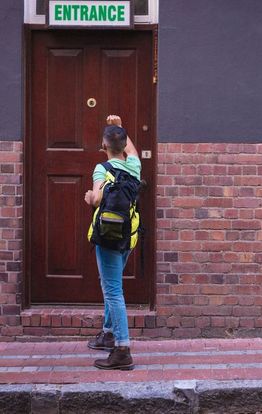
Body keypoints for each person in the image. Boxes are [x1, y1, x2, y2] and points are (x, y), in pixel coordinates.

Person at [84, 114, 141, 370]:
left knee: (113, 291)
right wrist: (119, 127)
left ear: (104, 146)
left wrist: (89, 197)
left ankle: (122, 349)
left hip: (107, 236)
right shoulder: (135, 166)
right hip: (129, 234)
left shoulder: (102, 169)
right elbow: (132, 150)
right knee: (113, 284)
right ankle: (108, 333)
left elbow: (96, 199)